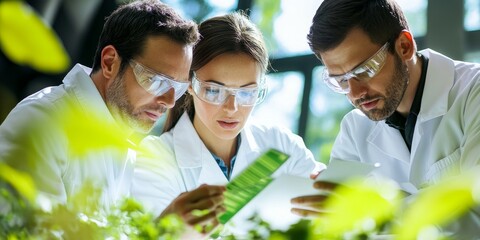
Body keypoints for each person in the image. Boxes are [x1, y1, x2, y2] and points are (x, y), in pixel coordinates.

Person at [0, 0, 224, 231]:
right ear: (109, 62)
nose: (168, 102)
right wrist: (159, 233)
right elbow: (31, 234)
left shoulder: (122, 142)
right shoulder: (42, 123)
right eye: (156, 81)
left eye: (177, 89)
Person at [290, 0, 480, 237]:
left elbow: (475, 210)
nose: (355, 93)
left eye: (365, 70)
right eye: (341, 80)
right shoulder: (354, 129)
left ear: (404, 46)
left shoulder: (474, 92)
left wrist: (374, 210)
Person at [132, 11, 325, 234]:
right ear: (190, 84)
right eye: (214, 90)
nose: (232, 108)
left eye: (246, 93)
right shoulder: (155, 158)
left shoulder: (281, 145)